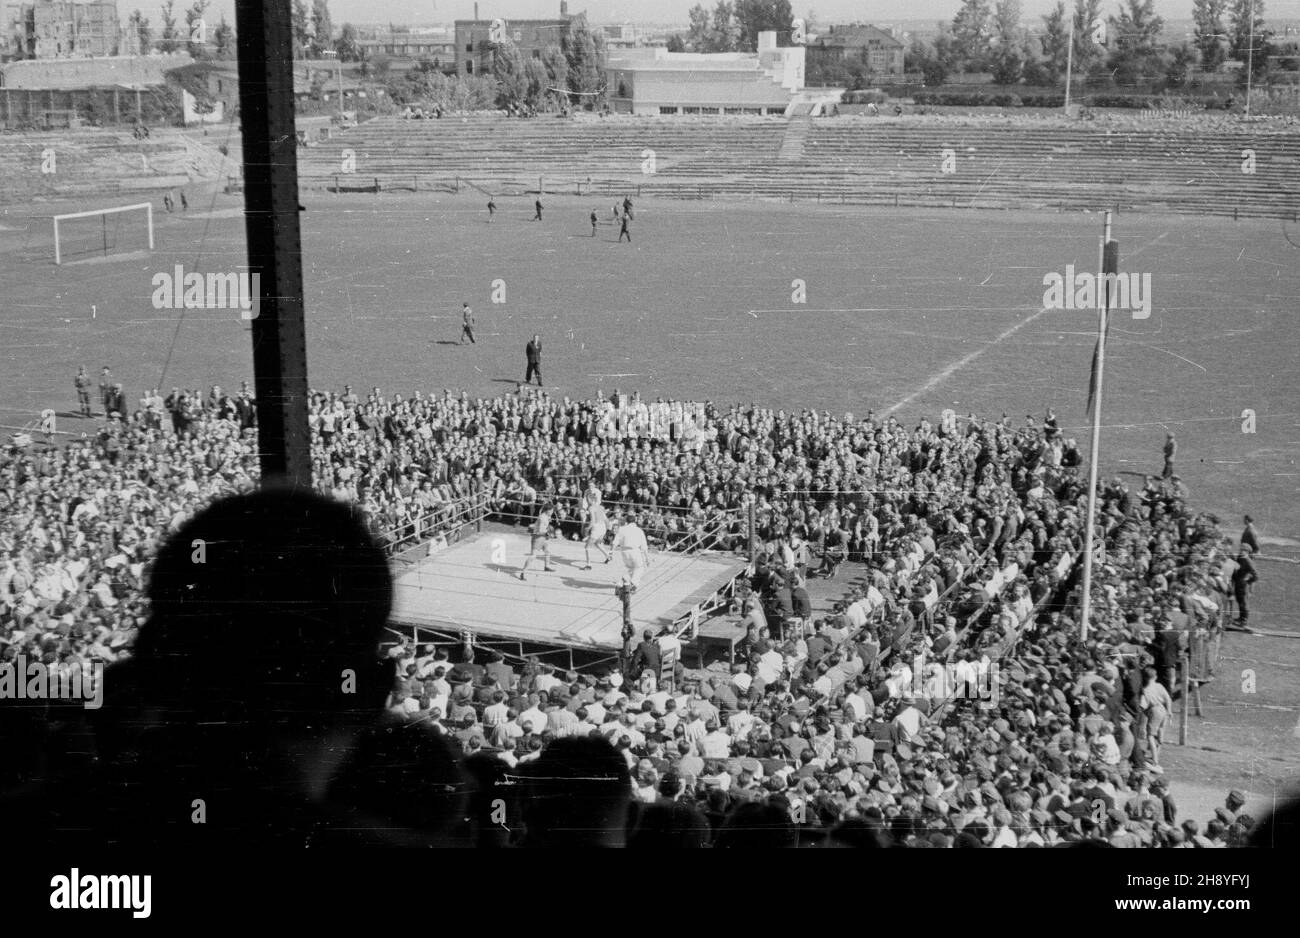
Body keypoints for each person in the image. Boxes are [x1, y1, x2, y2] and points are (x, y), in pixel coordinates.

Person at [518, 501, 556, 580]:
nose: (552, 512)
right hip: (538, 538)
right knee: (533, 556)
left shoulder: (546, 516)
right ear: (547, 510)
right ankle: (523, 572)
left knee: (547, 551)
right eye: (551, 510)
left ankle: (547, 566)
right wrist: (549, 533)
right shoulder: (542, 518)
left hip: (543, 537)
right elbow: (540, 531)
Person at [612, 516, 650, 592]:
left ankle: (620, 584)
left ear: (627, 521)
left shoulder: (622, 529)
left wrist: (611, 552)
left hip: (624, 552)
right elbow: (644, 546)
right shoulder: (639, 530)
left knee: (631, 569)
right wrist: (647, 558)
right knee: (639, 568)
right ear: (635, 521)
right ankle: (633, 583)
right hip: (634, 551)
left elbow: (615, 542)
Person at [581, 490, 612, 570]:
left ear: (591, 500)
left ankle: (589, 565)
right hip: (603, 527)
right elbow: (606, 519)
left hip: (597, 527)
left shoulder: (591, 508)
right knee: (598, 543)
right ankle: (608, 556)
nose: (587, 502)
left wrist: (588, 529)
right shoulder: (601, 507)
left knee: (587, 547)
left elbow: (593, 521)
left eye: (588, 500)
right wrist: (608, 528)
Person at [1230, 546, 1258, 630]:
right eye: (1241, 549)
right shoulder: (1239, 557)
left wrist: (1248, 580)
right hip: (1237, 582)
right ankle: (1240, 618)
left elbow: (1255, 575)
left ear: (1248, 552)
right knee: (1239, 601)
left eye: (1244, 550)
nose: (1242, 551)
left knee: (1244, 603)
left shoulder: (1248, 561)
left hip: (1243, 584)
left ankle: (1244, 620)